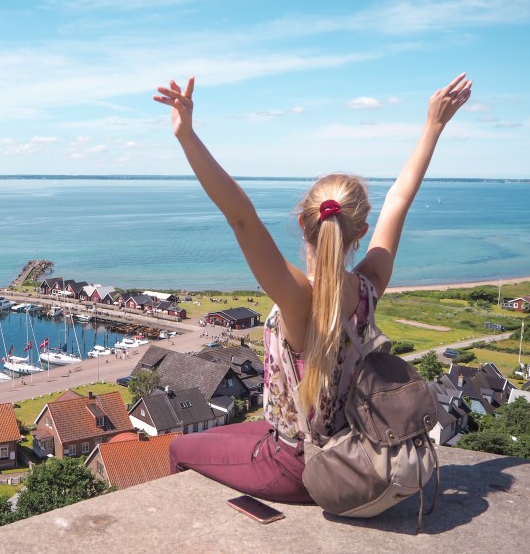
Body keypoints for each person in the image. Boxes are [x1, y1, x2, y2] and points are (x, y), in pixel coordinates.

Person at [153, 73, 471, 503]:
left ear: (303, 223)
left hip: (297, 466)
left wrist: (186, 136)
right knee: (238, 431)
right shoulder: (368, 285)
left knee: (178, 447)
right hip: (353, 451)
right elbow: (400, 199)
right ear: (359, 231)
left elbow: (241, 217)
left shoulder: (298, 298)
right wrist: (433, 127)